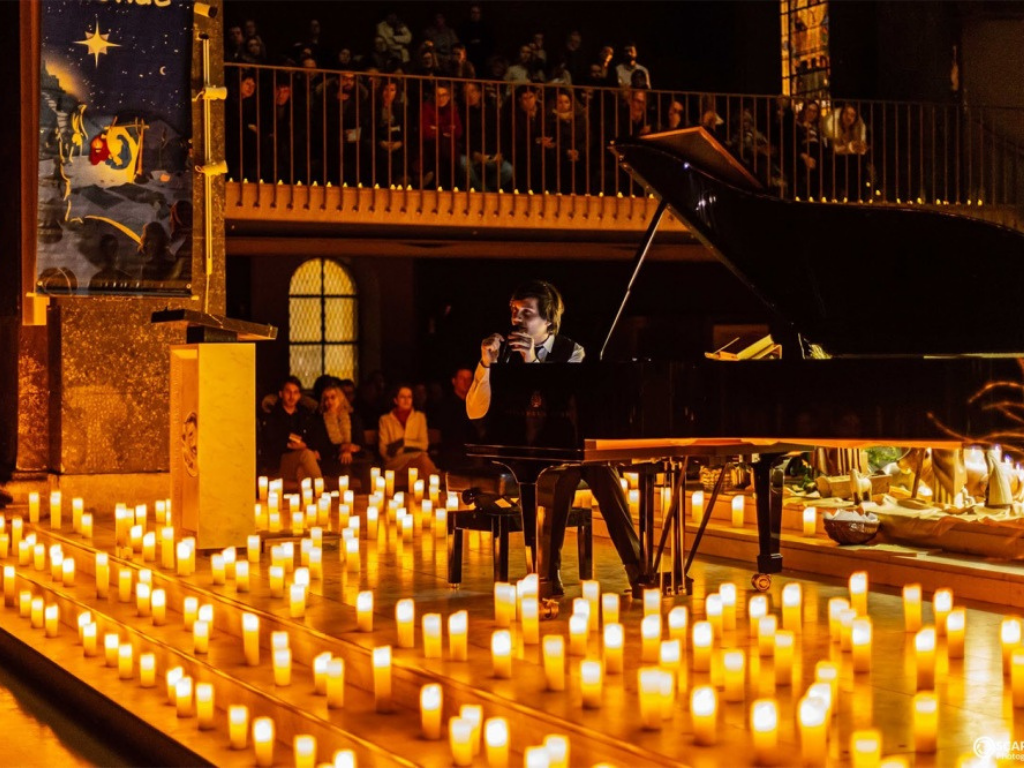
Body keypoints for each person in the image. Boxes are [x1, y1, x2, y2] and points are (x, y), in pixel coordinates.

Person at [466, 280, 643, 598]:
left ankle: (638, 571)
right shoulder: (500, 353)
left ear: (548, 321)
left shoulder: (571, 351)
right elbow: (475, 412)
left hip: (568, 443)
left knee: (603, 471)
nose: (517, 320)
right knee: (557, 476)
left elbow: (560, 403)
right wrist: (485, 364)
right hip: (525, 447)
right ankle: (547, 576)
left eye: (527, 314)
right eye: (514, 312)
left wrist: (533, 362)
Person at [259, 376, 322, 484]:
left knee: (302, 471)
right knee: (306, 454)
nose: (292, 396)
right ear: (281, 394)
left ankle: (312, 499)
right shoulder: (273, 416)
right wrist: (291, 445)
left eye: (295, 392)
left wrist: (306, 445)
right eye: (288, 392)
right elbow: (271, 442)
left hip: (301, 460)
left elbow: (315, 436)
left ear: (299, 395)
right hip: (280, 462)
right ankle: (322, 491)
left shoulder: (304, 414)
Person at [308, 380, 369, 487]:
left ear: (340, 398)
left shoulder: (353, 418)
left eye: (333, 397)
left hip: (354, 458)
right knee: (345, 471)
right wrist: (343, 449)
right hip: (332, 460)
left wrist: (349, 450)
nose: (329, 401)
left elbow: (360, 442)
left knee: (367, 470)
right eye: (326, 399)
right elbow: (321, 446)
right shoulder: (319, 420)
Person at [378, 384, 438, 479]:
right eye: (402, 397)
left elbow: (424, 445)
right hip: (394, 462)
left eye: (409, 397)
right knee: (422, 460)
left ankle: (432, 484)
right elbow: (384, 450)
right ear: (395, 400)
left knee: (420, 462)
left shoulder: (419, 417)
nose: (406, 400)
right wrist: (408, 448)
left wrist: (403, 443)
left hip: (417, 459)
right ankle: (436, 481)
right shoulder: (385, 420)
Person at [432, 366, 479, 470]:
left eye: (469, 379)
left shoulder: (476, 405)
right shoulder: (445, 405)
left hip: (472, 452)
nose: (466, 382)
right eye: (462, 378)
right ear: (454, 381)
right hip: (452, 454)